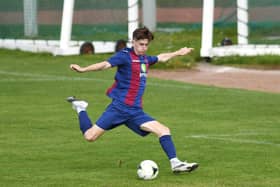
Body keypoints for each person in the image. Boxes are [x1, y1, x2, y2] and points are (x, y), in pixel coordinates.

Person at [67, 27, 199, 173]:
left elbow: (161, 57)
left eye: (146, 45)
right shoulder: (124, 56)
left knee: (163, 130)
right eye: (141, 44)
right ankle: (81, 108)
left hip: (135, 111)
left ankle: (176, 164)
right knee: (90, 137)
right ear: (133, 42)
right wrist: (83, 69)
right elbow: (104, 64)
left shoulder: (145, 59)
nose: (144, 48)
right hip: (119, 108)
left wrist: (178, 52)